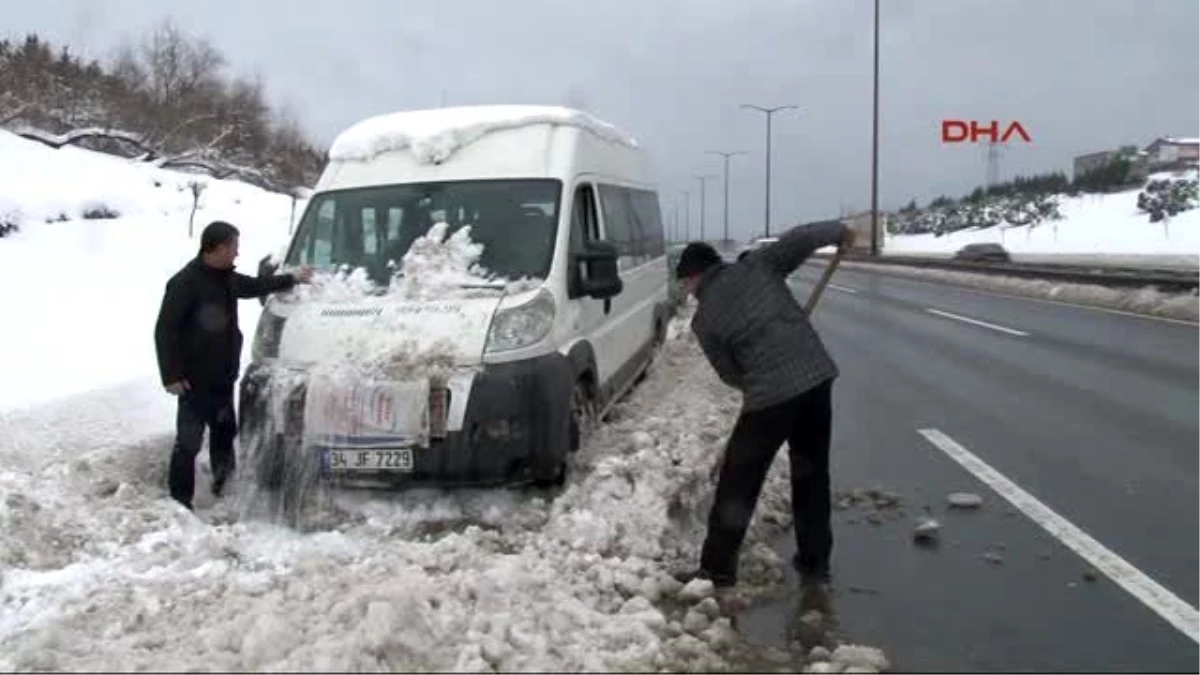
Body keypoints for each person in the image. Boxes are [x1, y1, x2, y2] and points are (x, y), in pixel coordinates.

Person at [672, 221, 855, 589]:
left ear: (695, 277)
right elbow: (799, 240)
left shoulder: (704, 321)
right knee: (811, 474)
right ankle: (814, 562)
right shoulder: (759, 265)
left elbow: (730, 373)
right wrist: (839, 232)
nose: (689, 293)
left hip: (770, 395)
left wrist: (759, 381)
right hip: (816, 378)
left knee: (738, 482)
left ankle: (717, 570)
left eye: (687, 284)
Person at [154, 220, 313, 511]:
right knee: (188, 442)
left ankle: (224, 489)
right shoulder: (185, 283)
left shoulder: (225, 277)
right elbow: (165, 331)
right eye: (234, 247)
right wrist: (171, 375)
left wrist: (292, 278)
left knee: (224, 435)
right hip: (194, 379)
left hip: (223, 376)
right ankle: (180, 502)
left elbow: (255, 286)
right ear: (217, 247)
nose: (237, 253)